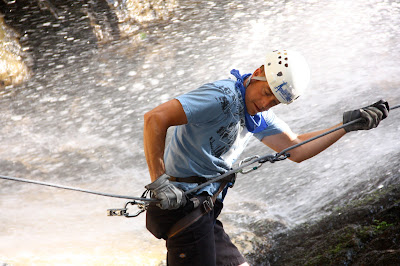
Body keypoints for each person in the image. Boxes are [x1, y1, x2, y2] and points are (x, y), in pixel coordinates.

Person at [142, 49, 389, 266]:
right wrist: (159, 181)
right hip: (181, 207)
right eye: (267, 92)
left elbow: (296, 147)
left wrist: (345, 126)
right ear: (259, 72)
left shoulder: (257, 116)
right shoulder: (222, 96)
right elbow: (155, 118)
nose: (266, 103)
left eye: (275, 101)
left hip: (202, 209)